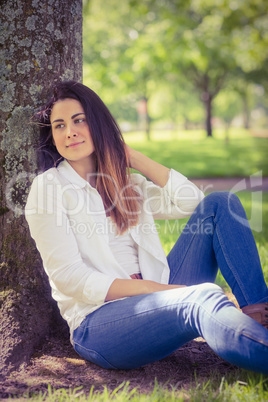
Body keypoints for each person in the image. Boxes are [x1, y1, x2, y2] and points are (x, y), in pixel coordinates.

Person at [25, 80, 268, 374]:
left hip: (160, 299)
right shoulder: (49, 187)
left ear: (99, 125)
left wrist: (133, 157)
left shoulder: (128, 183)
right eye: (59, 125)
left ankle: (260, 315)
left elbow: (191, 203)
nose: (70, 131)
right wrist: (157, 291)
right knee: (202, 297)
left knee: (221, 204)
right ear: (52, 136)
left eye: (79, 120)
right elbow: (69, 278)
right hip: (101, 324)